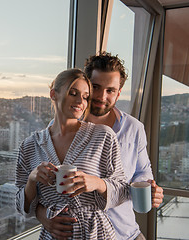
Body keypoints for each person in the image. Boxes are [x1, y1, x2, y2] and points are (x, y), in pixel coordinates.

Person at [35, 52, 164, 240]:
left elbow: (142, 172)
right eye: (96, 87)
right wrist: (43, 216)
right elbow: (39, 189)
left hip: (126, 234)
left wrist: (152, 189)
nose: (102, 96)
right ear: (86, 86)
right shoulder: (56, 132)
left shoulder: (134, 129)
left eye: (110, 90)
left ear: (119, 93)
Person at [15, 68, 130, 239]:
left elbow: (123, 191)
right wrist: (32, 179)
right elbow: (20, 205)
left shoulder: (103, 136)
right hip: (53, 235)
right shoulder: (30, 145)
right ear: (53, 94)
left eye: (85, 97)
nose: (80, 101)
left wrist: (96, 183)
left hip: (96, 234)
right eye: (73, 93)